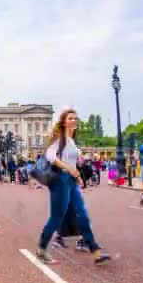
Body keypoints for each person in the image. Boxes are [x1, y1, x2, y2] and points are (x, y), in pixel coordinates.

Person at [36, 109, 110, 265]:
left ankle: (94, 250)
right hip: (60, 181)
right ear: (64, 122)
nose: (74, 120)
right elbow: (51, 156)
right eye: (70, 118)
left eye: (75, 118)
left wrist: (77, 177)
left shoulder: (71, 141)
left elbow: (72, 162)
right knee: (56, 218)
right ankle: (42, 249)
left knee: (82, 214)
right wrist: (70, 169)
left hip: (71, 180)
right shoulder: (60, 139)